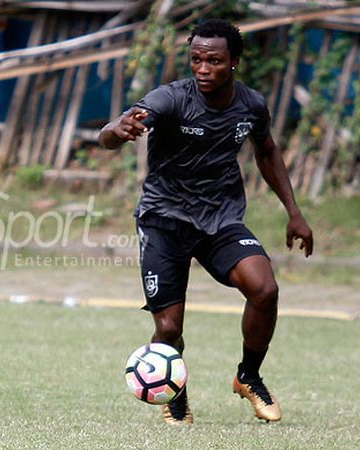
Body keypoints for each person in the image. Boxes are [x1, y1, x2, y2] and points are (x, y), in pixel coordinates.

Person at [99, 19, 314, 425]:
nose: (202, 68)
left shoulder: (250, 105)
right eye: (196, 59)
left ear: (234, 61)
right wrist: (115, 129)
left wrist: (294, 212)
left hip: (220, 219)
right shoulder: (170, 100)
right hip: (163, 220)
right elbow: (113, 133)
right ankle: (173, 393)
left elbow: (266, 152)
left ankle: (248, 376)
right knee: (168, 328)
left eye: (213, 61)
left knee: (264, 289)